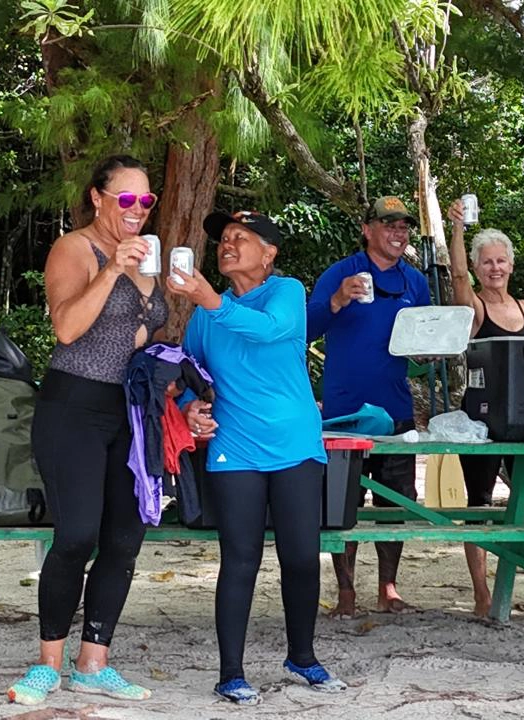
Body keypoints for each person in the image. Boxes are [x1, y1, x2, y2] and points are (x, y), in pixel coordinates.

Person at [168, 210, 347, 705]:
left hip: (294, 446)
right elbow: (185, 373)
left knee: (301, 557)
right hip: (236, 448)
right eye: (223, 239)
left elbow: (269, 330)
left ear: (269, 254)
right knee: (240, 559)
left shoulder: (287, 292)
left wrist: (207, 299)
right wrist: (191, 408)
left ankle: (303, 657)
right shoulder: (206, 315)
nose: (227, 245)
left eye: (240, 238)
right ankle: (231, 673)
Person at [7, 155, 167, 705]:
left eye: (146, 200)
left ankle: (93, 662)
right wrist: (114, 270)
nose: (138, 209)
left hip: (128, 410)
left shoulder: (149, 255)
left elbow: (143, 331)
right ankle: (48, 663)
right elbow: (68, 327)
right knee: (77, 535)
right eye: (127, 198)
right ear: (98, 198)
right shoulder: (74, 248)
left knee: (126, 538)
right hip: (72, 405)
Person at [306, 195, 431, 617]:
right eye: (389, 224)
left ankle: (388, 587)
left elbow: (423, 339)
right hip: (345, 412)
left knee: (395, 501)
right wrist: (338, 300)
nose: (399, 232)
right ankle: (345, 591)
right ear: (367, 229)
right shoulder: (339, 273)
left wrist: (436, 345)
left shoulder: (415, 281)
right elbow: (305, 328)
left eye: (404, 226)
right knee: (343, 503)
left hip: (395, 406)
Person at [445, 199, 524, 616]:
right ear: (477, 266)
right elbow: (456, 278)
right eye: (486, 262)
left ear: (511, 264)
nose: (495, 268)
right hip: (481, 417)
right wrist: (457, 230)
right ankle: (481, 593)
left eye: (501, 261)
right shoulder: (475, 308)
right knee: (480, 502)